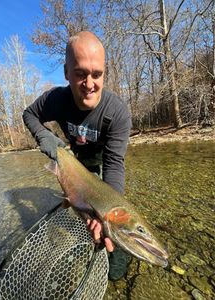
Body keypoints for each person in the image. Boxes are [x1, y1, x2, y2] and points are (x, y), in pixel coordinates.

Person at [22, 31, 132, 281]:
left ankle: (114, 255)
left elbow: (115, 165)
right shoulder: (55, 99)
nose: (90, 83)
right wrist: (46, 137)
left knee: (109, 223)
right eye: (81, 73)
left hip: (102, 163)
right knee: (79, 211)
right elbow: (29, 115)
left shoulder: (117, 112)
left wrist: (108, 215)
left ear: (105, 71)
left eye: (97, 74)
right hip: (73, 161)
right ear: (66, 72)